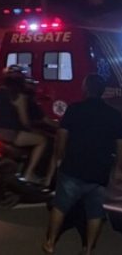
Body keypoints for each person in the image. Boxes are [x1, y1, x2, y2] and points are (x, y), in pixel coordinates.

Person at [42, 73, 122, 255]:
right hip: (100, 173)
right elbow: (120, 147)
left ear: (85, 89)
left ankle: (50, 243)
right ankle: (88, 250)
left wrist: (59, 160)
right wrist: (118, 170)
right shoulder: (115, 115)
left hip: (73, 169)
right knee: (95, 213)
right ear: (103, 92)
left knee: (60, 206)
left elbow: (61, 138)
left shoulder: (74, 109)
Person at [0, 65, 51, 184]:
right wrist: (32, 129)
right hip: (10, 134)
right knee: (42, 140)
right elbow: (25, 121)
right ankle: (29, 174)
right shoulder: (18, 96)